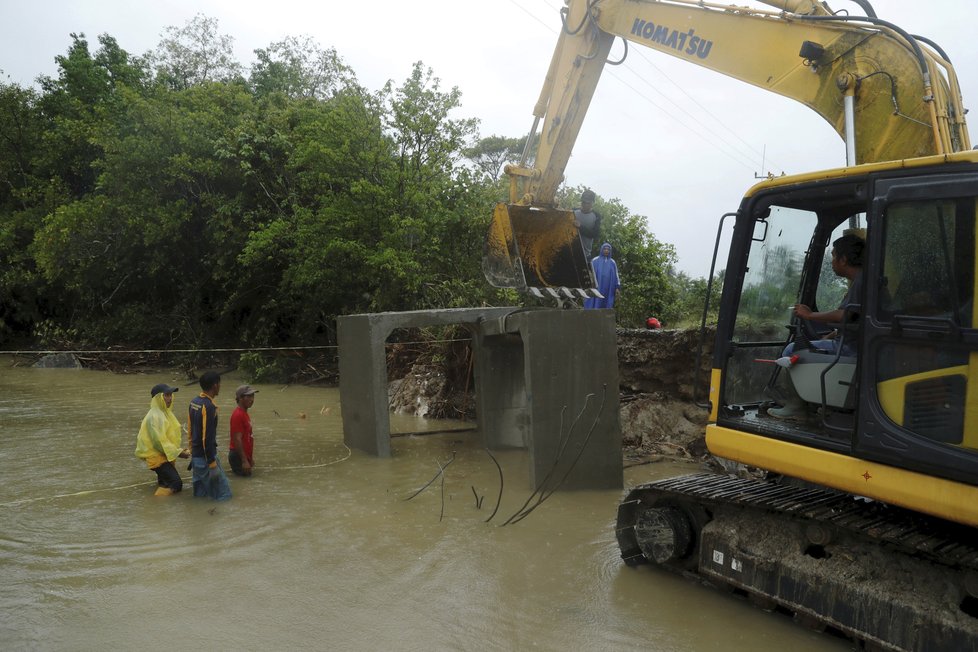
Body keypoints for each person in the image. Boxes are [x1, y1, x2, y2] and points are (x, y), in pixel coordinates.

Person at [769, 233, 864, 420]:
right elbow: (857, 320)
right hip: (853, 342)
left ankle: (797, 407)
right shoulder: (864, 281)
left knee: (793, 349)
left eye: (834, 256)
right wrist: (831, 335)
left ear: (844, 260)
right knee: (812, 346)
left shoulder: (861, 283)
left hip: (850, 349)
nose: (832, 262)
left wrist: (809, 314)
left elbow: (845, 315)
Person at [135, 383, 190, 496]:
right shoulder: (155, 416)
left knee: (165, 482)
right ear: (158, 398)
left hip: (163, 454)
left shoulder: (165, 412)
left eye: (170, 395)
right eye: (166, 395)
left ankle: (160, 504)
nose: (170, 398)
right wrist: (179, 453)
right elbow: (159, 442)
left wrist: (178, 450)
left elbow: (168, 438)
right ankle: (156, 504)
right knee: (175, 483)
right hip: (156, 456)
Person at [187, 371, 232, 500]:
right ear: (215, 385)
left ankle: (201, 518)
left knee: (201, 495)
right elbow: (207, 437)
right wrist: (212, 463)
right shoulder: (209, 406)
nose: (220, 386)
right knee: (224, 495)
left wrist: (192, 451)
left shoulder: (194, 402)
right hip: (206, 459)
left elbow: (190, 430)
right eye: (219, 383)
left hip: (196, 457)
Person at [229, 384, 259, 477]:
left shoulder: (244, 413)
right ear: (240, 398)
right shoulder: (238, 415)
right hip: (238, 456)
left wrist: (250, 458)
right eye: (248, 396)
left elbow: (247, 437)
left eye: (253, 396)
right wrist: (244, 460)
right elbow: (237, 439)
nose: (252, 399)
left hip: (243, 455)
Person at [584, 242, 622, 310]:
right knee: (595, 302)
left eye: (608, 249)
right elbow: (589, 273)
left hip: (608, 288)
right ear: (602, 249)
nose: (606, 250)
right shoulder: (595, 260)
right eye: (605, 249)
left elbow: (616, 275)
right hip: (597, 286)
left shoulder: (612, 262)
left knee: (606, 304)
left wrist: (617, 287)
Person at [574, 189, 602, 257]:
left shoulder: (596, 216)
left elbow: (595, 234)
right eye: (584, 202)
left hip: (585, 255)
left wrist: (580, 227)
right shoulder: (573, 212)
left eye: (588, 203)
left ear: (593, 202)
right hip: (569, 250)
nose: (586, 205)